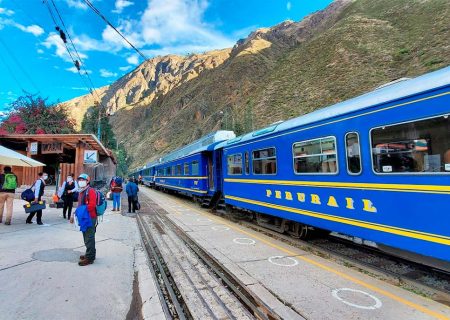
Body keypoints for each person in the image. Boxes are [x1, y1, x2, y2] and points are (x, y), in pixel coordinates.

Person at [70, 173, 97, 266]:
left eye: (83, 180)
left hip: (90, 217)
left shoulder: (91, 191)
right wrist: (74, 214)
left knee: (89, 237)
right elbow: (79, 205)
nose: (80, 181)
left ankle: (90, 258)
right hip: (83, 217)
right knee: (86, 237)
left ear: (88, 181)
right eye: (79, 180)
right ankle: (89, 254)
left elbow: (92, 205)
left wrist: (81, 211)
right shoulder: (81, 191)